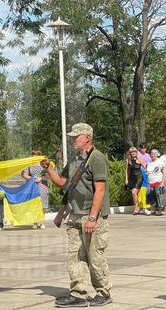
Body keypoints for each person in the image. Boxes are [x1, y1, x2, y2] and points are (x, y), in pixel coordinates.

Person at [40, 123, 112, 308]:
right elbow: (63, 182)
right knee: (75, 257)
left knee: (95, 257)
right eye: (71, 136)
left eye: (75, 136)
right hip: (75, 216)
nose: (72, 139)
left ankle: (103, 292)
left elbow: (100, 190)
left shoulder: (97, 158)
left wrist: (92, 218)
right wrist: (49, 169)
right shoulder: (74, 159)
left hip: (91, 216)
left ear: (87, 137)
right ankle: (78, 294)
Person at [22, 149, 49, 229]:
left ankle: (41, 222)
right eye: (33, 156)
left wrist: (41, 177)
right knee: (34, 204)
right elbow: (24, 174)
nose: (34, 158)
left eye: (36, 156)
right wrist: (33, 178)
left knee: (43, 205)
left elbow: (50, 174)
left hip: (43, 186)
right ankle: (35, 222)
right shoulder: (29, 165)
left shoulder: (44, 164)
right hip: (32, 186)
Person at [124, 147, 146, 215]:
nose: (133, 153)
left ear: (136, 152)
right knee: (136, 194)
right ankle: (139, 207)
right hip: (132, 178)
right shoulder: (128, 160)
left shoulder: (139, 159)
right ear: (130, 153)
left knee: (134, 193)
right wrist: (126, 179)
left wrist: (139, 158)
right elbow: (127, 170)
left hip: (139, 177)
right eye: (132, 152)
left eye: (135, 152)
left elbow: (145, 166)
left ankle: (137, 208)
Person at [146, 149, 166, 216]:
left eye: (154, 154)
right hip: (150, 182)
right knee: (150, 196)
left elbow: (164, 172)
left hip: (158, 182)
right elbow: (148, 171)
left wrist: (163, 182)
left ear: (157, 154)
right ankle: (153, 209)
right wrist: (147, 173)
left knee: (158, 196)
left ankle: (159, 211)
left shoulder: (160, 161)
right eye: (152, 154)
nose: (153, 155)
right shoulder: (149, 162)